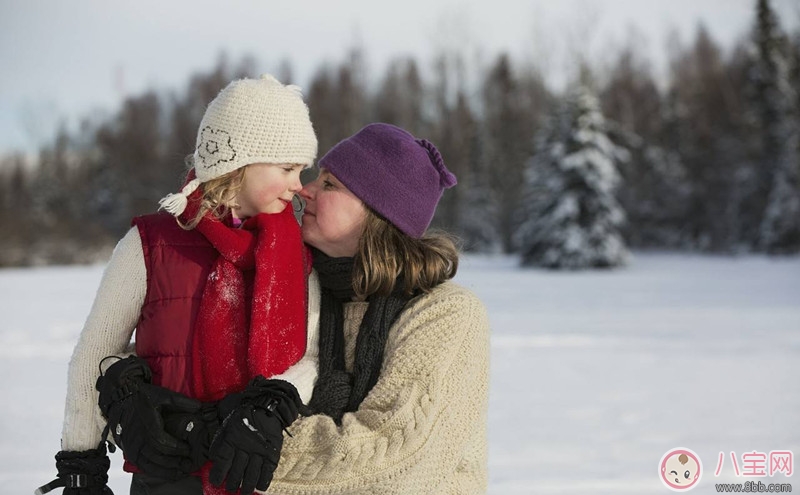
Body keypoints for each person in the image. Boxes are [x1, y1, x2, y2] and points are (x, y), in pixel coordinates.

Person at [38, 74, 321, 495]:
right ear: (238, 165)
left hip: (260, 471)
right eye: (287, 168)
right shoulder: (150, 245)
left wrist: (271, 405)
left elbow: (309, 355)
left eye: (302, 169)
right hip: (167, 474)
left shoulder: (295, 254)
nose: (300, 185)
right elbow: (94, 354)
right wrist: (84, 463)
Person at [269, 123, 491, 494]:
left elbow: (394, 460)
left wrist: (242, 447)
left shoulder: (447, 314)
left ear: (377, 214)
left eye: (329, 184)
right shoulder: (303, 293)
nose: (304, 190)